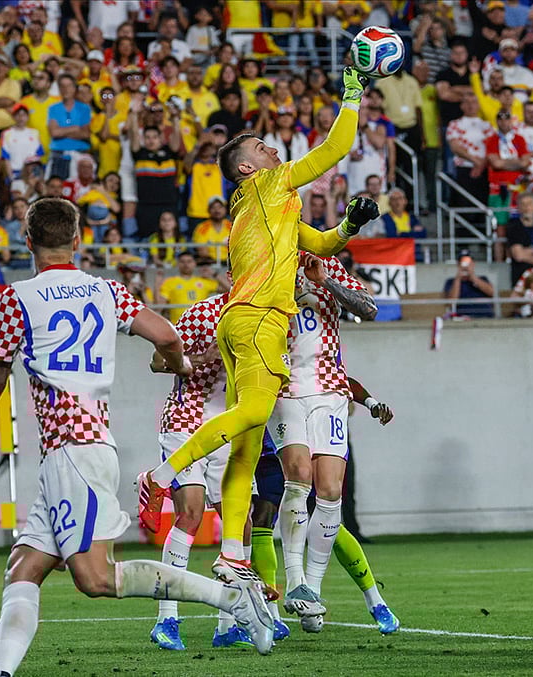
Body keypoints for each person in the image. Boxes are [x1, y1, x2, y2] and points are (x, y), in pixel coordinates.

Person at [0, 198, 275, 674]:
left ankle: (231, 598)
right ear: (78, 240)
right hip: (85, 444)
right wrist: (181, 363)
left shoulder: (17, 297)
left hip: (72, 450)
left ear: (27, 241)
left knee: (96, 578)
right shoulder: (107, 290)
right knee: (23, 567)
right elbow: (166, 334)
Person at [138, 68, 377, 596]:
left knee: (246, 449)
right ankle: (159, 475)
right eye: (264, 148)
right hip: (263, 321)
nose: (274, 151)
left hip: (239, 321)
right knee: (250, 415)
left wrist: (351, 226)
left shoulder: (264, 209)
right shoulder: (268, 185)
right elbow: (335, 147)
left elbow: (323, 244)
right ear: (248, 166)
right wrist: (354, 90)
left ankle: (229, 555)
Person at [148, 289, 271, 651]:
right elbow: (157, 361)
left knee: (241, 520)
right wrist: (204, 357)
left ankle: (228, 624)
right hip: (185, 423)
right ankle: (166, 619)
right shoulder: (203, 313)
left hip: (229, 428)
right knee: (190, 512)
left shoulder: (266, 315)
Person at [266, 252, 380, 630]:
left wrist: (325, 281)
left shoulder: (327, 265)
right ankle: (295, 579)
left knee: (330, 492)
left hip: (330, 389)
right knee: (298, 475)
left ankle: (311, 590)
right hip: (285, 386)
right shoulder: (266, 263)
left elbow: (369, 309)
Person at [157, 250, 219, 324]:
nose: (186, 264)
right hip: (179, 326)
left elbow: (229, 288)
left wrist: (214, 274)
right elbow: (159, 307)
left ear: (194, 263)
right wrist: (157, 283)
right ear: (177, 264)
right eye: (182, 262)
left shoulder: (203, 281)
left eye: (189, 261)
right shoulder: (169, 282)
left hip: (201, 324)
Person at [443, 250, 496, 318]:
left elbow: (492, 293)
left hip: (484, 316)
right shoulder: (451, 281)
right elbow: (451, 302)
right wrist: (458, 278)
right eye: (463, 262)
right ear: (458, 264)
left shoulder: (483, 279)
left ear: (473, 264)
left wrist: (473, 277)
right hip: (462, 317)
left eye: (468, 262)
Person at [191, 196, 232, 264]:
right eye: (213, 207)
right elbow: (202, 251)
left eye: (220, 207)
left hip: (230, 263)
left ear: (225, 209)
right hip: (210, 263)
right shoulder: (202, 228)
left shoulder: (232, 226)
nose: (217, 210)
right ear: (208, 210)